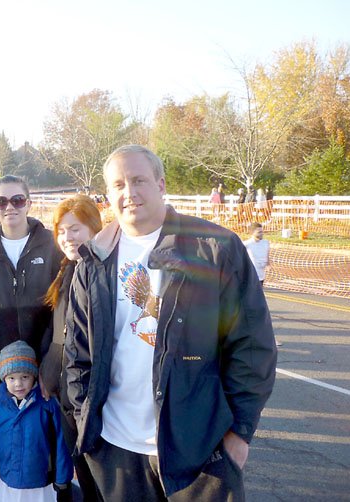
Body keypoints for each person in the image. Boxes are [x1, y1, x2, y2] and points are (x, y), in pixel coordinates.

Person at [66, 145, 277, 500]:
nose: (129, 193)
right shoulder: (94, 260)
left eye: (138, 181)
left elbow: (252, 346)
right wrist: (86, 424)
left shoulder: (216, 248)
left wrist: (238, 434)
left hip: (199, 453)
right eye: (118, 185)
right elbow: (78, 352)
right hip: (115, 448)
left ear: (161, 185)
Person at [0, 175, 62, 396]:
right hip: (2, 371)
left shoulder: (53, 245)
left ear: (28, 203)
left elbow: (62, 309)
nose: (9, 207)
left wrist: (51, 361)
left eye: (17, 200)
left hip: (46, 362)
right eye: (1, 201)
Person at [40, 194, 102, 501]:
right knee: (77, 469)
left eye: (75, 229)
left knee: (99, 478)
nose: (67, 237)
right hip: (63, 391)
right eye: (62, 231)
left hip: (91, 396)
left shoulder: (102, 272)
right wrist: (47, 373)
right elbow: (58, 333)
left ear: (93, 228)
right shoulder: (67, 270)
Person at [0, 340, 74, 501]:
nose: (18, 384)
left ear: (34, 376)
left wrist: (62, 478)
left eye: (24, 376)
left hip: (39, 481)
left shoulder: (47, 405)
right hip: (8, 477)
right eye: (11, 378)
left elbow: (61, 442)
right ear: (4, 378)